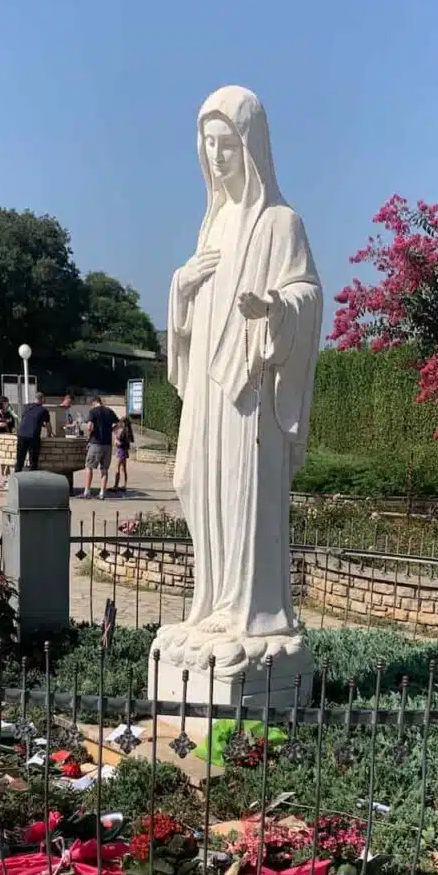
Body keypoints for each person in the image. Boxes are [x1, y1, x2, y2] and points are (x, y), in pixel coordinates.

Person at [159, 86, 322, 638]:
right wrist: (180, 288)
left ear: (251, 147)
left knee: (241, 493)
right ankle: (211, 600)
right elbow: (193, 300)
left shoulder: (281, 222)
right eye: (208, 144)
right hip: (207, 388)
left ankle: (249, 612)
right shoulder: (212, 223)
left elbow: (307, 292)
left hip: (250, 392)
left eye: (226, 143)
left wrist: (274, 307)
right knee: (192, 479)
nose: (216, 155)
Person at [82, 396, 118, 499]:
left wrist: (90, 432)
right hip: (107, 445)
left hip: (95, 443)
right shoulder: (110, 411)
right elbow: (119, 424)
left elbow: (89, 426)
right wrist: (110, 430)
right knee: (104, 469)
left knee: (89, 467)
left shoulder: (93, 411)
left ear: (94, 402)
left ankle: (87, 492)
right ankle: (102, 493)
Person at [15, 392, 52, 472]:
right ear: (42, 399)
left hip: (21, 434)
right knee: (33, 460)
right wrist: (49, 434)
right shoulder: (43, 410)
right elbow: (48, 425)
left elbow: (28, 419)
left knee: (20, 459)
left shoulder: (26, 407)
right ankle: (33, 479)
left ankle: (16, 477)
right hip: (33, 437)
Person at [0, 396, 15, 486]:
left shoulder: (9, 414)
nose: (7, 404)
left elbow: (12, 426)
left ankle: (6, 478)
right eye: (5, 403)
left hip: (6, 439)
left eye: (7, 403)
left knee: (6, 460)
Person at [113, 416, 134, 491]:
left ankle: (116, 485)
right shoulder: (128, 430)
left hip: (120, 450)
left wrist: (116, 439)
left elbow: (119, 442)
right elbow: (127, 442)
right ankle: (124, 485)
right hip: (125, 451)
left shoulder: (122, 430)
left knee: (117, 468)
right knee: (124, 469)